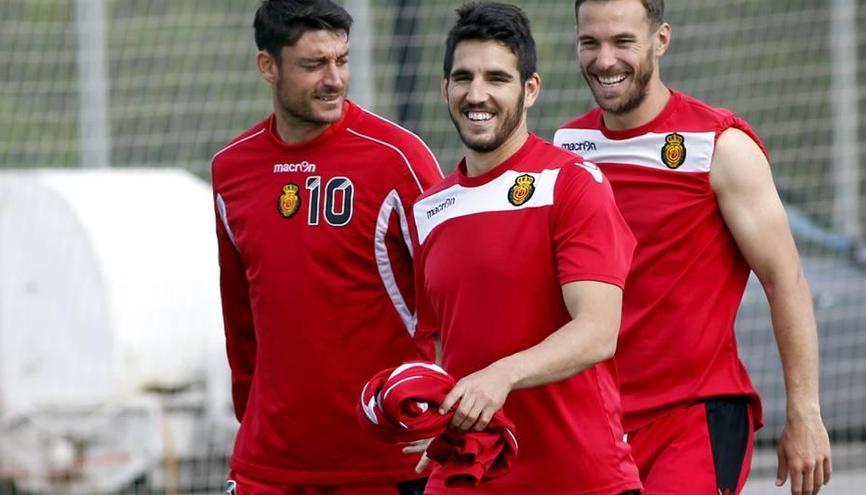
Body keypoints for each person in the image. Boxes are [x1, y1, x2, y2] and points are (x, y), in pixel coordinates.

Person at [553, 1, 833, 494]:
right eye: (589, 43)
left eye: (623, 42)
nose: (604, 60)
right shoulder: (565, 148)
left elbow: (784, 280)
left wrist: (805, 412)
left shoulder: (719, 145)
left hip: (695, 417)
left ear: (661, 40)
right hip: (595, 422)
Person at [408, 3, 643, 494]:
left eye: (497, 78)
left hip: (579, 478)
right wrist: (431, 414)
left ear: (529, 89)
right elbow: (442, 346)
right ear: (443, 88)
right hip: (471, 473)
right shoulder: (430, 208)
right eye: (463, 77)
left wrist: (500, 377)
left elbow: (599, 331)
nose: (477, 94)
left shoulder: (573, 184)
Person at [211, 1, 443, 493]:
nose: (334, 79)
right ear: (267, 66)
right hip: (270, 464)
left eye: (341, 60)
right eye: (314, 64)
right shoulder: (231, 169)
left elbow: (451, 299)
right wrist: (250, 422)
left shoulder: (398, 159)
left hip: (386, 462)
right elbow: (241, 321)